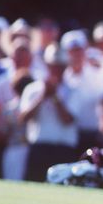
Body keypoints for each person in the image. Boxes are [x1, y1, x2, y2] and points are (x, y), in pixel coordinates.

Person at [19, 44, 79, 182]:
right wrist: (42, 97)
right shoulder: (32, 89)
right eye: (53, 66)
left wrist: (55, 97)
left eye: (60, 66)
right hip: (39, 148)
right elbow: (23, 118)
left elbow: (68, 120)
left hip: (64, 150)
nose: (56, 70)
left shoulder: (73, 89)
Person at [0, 69, 34, 180]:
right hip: (27, 151)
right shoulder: (33, 107)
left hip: (14, 150)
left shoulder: (9, 109)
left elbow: (0, 134)